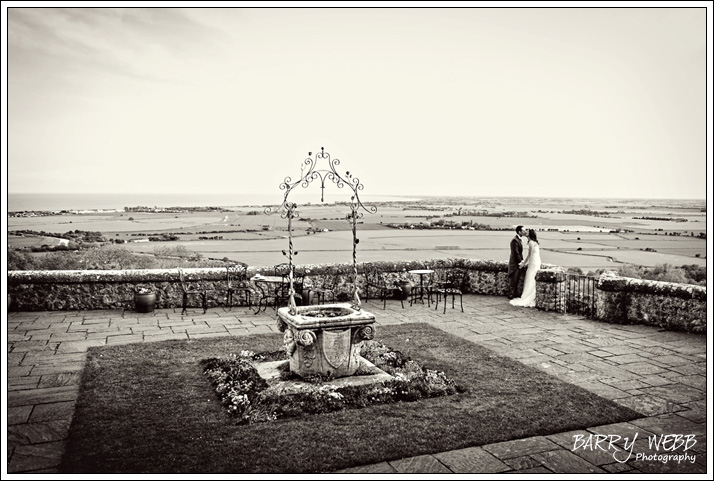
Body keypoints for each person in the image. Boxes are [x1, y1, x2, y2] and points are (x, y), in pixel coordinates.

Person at [510, 229, 542, 308]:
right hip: (536, 261)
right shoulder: (534, 242)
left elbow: (529, 255)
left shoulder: (531, 243)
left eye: (527, 232)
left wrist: (523, 263)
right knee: (531, 277)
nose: (525, 232)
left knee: (530, 277)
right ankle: (530, 295)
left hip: (533, 263)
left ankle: (527, 296)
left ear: (530, 234)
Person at [507, 226, 527, 299]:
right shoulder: (514, 240)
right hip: (514, 263)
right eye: (523, 231)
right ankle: (511, 294)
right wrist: (521, 262)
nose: (525, 232)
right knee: (513, 279)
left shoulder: (518, 240)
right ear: (519, 232)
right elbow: (516, 253)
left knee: (517, 279)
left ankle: (514, 293)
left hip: (517, 263)